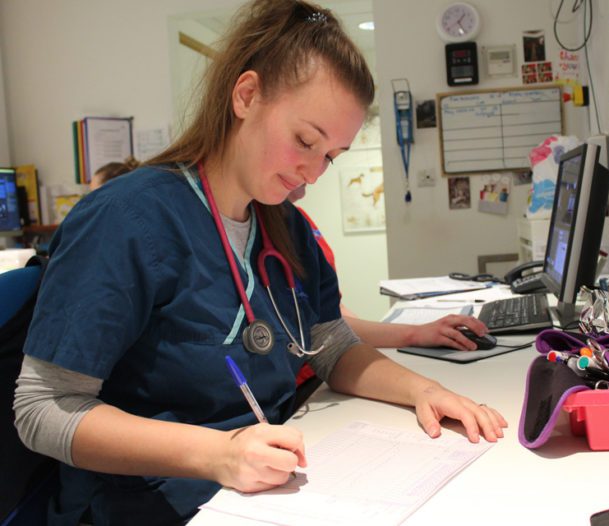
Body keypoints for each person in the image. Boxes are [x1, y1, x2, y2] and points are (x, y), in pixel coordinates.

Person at [13, 1, 507, 524]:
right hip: (148, 503)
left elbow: (332, 348)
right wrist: (217, 454)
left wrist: (425, 392)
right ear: (246, 96)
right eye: (305, 141)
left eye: (331, 156)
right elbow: (42, 410)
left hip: (264, 487)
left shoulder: (283, 224)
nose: (313, 173)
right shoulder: (126, 219)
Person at [288, 185, 489, 352]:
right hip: (302, 378)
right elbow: (315, 325)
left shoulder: (300, 221)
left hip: (327, 361)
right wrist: (414, 333)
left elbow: (333, 311)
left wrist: (374, 340)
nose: (314, 177)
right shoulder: (284, 229)